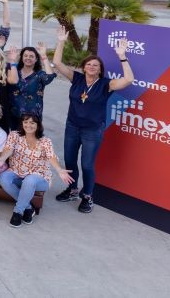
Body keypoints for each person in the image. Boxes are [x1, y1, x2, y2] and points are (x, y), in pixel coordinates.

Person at [53, 29, 135, 213]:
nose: (91, 67)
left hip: (92, 130)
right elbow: (57, 63)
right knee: (70, 161)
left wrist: (122, 56)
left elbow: (129, 79)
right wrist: (60, 42)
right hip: (72, 127)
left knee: (87, 165)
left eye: (95, 65)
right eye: (88, 64)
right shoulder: (77, 78)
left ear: (100, 70)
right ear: (83, 67)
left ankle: (87, 196)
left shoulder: (107, 84)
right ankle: (73, 190)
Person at [0, 113, 73, 226]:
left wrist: (59, 169)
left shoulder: (45, 141)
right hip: (17, 172)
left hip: (39, 177)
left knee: (29, 181)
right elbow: (8, 149)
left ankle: (18, 212)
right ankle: (29, 208)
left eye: (32, 123)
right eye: (25, 122)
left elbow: (51, 157)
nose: (28, 125)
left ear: (38, 125)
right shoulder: (14, 135)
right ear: (21, 123)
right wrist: (2, 158)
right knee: (3, 178)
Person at [6, 44, 56, 119]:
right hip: (13, 115)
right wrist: (12, 60)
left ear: (36, 59)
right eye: (25, 56)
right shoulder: (14, 70)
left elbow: (49, 77)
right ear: (22, 58)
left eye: (31, 56)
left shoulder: (39, 74)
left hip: (32, 119)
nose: (28, 58)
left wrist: (44, 57)